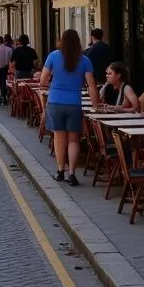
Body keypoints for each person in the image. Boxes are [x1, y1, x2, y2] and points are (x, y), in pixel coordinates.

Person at [40, 29, 91, 186]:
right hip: (74, 103)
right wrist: (95, 104)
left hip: (55, 101)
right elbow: (92, 84)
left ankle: (60, 171)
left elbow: (43, 79)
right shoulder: (84, 60)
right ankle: (72, 174)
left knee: (59, 138)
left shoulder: (53, 56)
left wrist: (52, 85)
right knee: (74, 140)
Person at [84, 28, 114, 107]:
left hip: (94, 82)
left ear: (92, 37)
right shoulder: (108, 49)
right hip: (108, 82)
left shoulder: (89, 51)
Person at [0, 34, 13, 106]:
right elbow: (11, 60)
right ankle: (5, 98)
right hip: (7, 68)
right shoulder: (10, 49)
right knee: (5, 83)